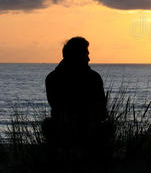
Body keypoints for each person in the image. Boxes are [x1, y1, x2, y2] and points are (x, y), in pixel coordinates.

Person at [44, 36, 111, 165]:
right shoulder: (93, 78)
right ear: (78, 55)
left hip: (64, 129)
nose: (89, 58)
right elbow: (101, 110)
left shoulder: (52, 78)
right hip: (82, 129)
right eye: (86, 54)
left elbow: (55, 106)